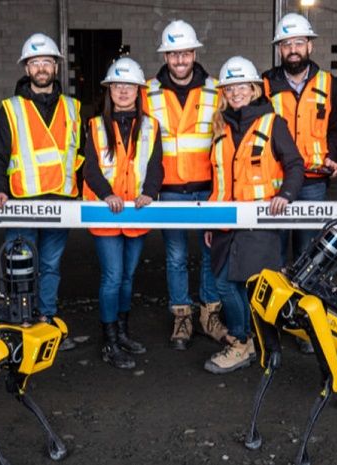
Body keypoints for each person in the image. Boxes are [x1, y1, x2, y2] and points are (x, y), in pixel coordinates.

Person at [204, 56, 304, 374]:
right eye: (230, 87)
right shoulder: (219, 126)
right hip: (224, 221)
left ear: (253, 89)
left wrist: (286, 195)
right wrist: (210, 218)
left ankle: (243, 341)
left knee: (245, 285)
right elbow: (218, 177)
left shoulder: (272, 123)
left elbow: (294, 164)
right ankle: (247, 339)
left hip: (259, 222)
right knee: (224, 284)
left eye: (241, 87)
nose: (236, 93)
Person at [0, 33, 83, 350]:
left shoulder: (73, 108)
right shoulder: (11, 109)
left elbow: (83, 154)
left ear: (56, 66)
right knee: (21, 266)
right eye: (35, 62)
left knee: (51, 266)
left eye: (47, 62)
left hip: (61, 200)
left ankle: (46, 321)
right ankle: (19, 325)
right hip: (21, 201)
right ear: (27, 68)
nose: (41, 68)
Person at [142, 20, 225, 351]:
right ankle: (182, 316)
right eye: (173, 54)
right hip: (170, 189)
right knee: (176, 256)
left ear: (194, 53)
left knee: (209, 254)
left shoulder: (215, 89)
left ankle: (209, 314)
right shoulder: (147, 92)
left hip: (208, 186)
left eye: (185, 53)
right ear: (166, 57)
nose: (179, 60)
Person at [262, 13, 337, 354]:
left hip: (312, 183)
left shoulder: (329, 84)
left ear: (310, 45)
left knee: (310, 258)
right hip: (276, 184)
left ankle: (307, 323)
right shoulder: (264, 84)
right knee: (276, 255)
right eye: (286, 44)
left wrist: (335, 154)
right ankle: (279, 321)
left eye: (298, 43)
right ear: (279, 50)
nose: (293, 50)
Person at [83, 57, 164, 369]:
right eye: (117, 85)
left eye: (129, 85)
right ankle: (109, 341)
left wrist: (150, 193)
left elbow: (156, 165)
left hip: (137, 210)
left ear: (139, 90)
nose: (123, 90)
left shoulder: (151, 126)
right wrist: (108, 194)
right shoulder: (94, 125)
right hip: (107, 211)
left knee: (128, 277)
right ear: (109, 91)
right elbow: (90, 168)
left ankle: (123, 332)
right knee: (113, 276)